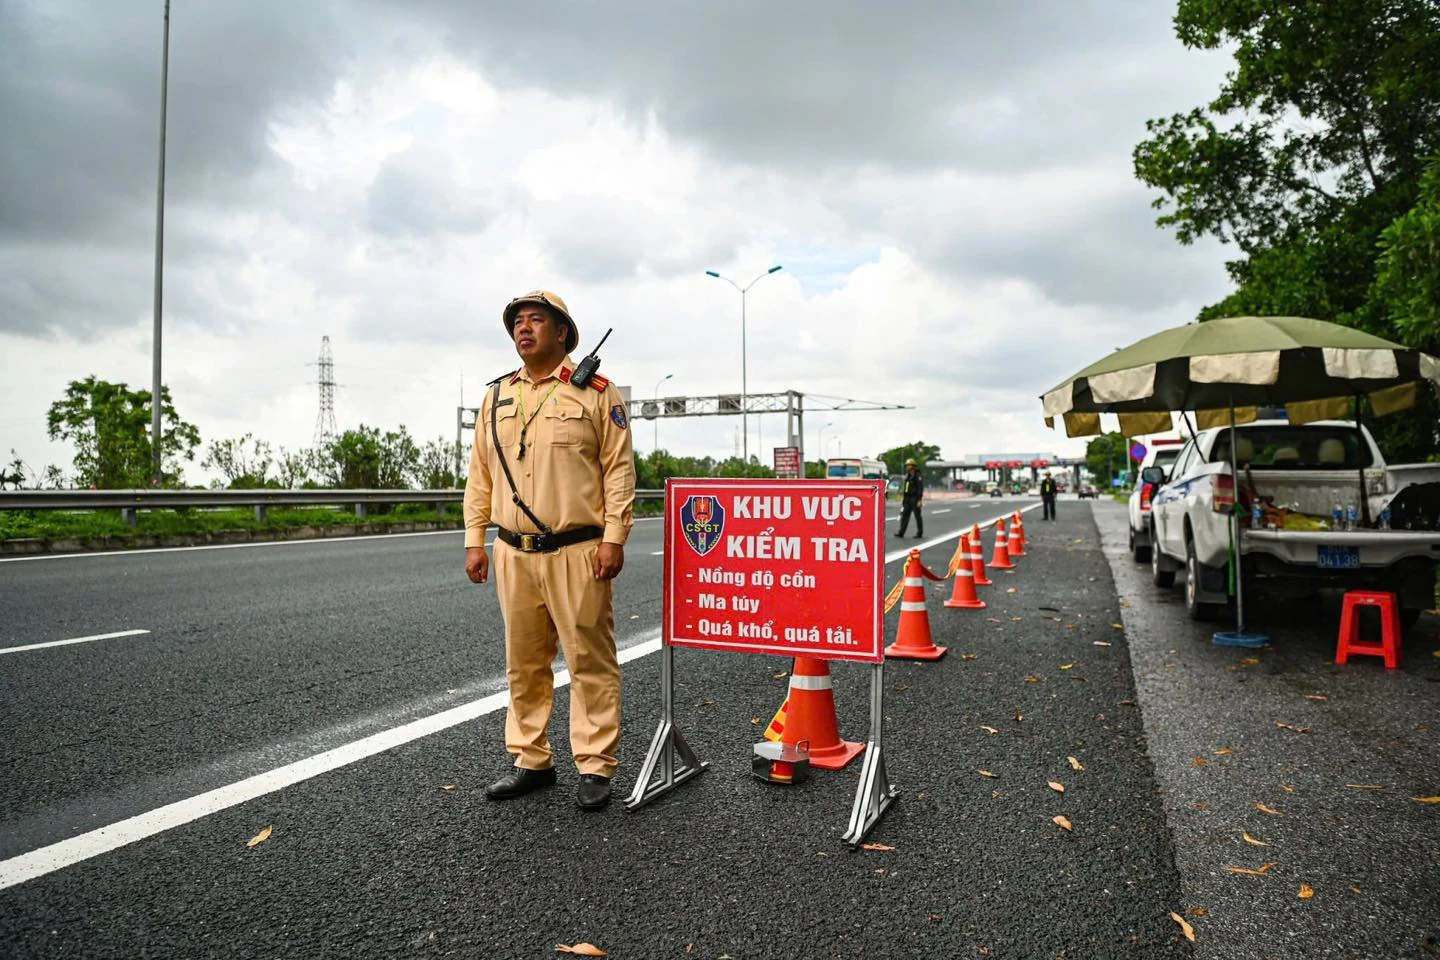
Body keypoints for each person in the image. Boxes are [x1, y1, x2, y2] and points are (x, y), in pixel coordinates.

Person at [463, 290, 636, 811]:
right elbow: (481, 475)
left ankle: (595, 763)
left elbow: (619, 470)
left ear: (562, 332)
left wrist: (614, 537)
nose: (524, 328)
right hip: (513, 551)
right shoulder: (496, 397)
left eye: (536, 320)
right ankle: (532, 760)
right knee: (524, 662)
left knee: (589, 659)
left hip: (578, 550)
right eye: (517, 321)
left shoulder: (597, 393)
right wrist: (475, 539)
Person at [895, 458, 924, 538]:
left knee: (917, 516)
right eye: (907, 465)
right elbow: (906, 488)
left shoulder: (918, 476)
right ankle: (901, 532)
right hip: (907, 499)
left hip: (915, 498)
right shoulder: (907, 476)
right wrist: (904, 500)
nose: (907, 467)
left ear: (913, 466)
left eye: (908, 465)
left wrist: (919, 500)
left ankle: (919, 533)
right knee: (904, 516)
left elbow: (920, 488)